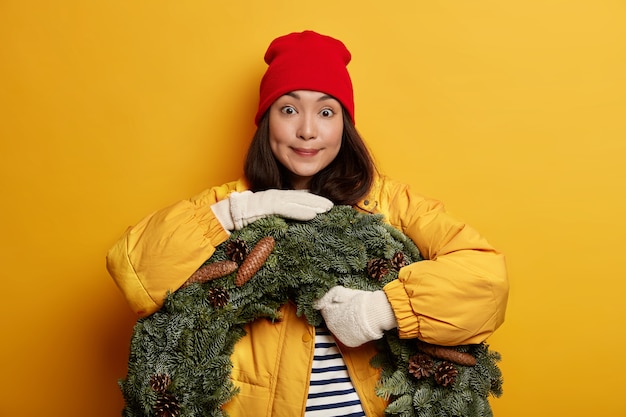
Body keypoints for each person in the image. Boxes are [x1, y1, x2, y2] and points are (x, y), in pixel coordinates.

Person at [107, 30, 509, 417]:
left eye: (326, 111)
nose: (307, 130)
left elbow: (486, 279)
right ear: (267, 121)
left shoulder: (389, 204)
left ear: (343, 125)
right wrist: (234, 213)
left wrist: (381, 308)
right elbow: (133, 269)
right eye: (288, 109)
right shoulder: (230, 203)